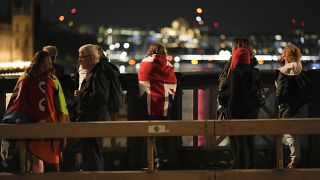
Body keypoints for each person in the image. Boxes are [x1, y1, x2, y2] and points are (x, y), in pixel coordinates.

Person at [2, 51, 70, 173]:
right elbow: (61, 105)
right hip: (47, 123)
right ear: (50, 63)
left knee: (30, 157)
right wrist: (64, 122)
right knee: (44, 156)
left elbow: (15, 99)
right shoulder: (52, 79)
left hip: (23, 122)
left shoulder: (24, 77)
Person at [217, 38, 264, 169]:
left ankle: (239, 167)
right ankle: (250, 168)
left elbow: (225, 87)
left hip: (235, 109)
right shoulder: (254, 69)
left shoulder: (233, 68)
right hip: (252, 109)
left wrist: (222, 96)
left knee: (237, 141)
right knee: (249, 141)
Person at [75, 44, 121, 171]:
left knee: (92, 151)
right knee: (93, 150)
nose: (79, 61)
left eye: (81, 58)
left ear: (90, 58)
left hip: (94, 117)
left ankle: (94, 175)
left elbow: (100, 97)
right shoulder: (100, 70)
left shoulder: (98, 73)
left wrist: (81, 95)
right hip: (97, 116)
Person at [138, 43, 177, 170]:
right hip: (164, 103)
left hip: (149, 102)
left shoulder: (144, 63)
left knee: (151, 131)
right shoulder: (168, 65)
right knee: (163, 130)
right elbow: (172, 83)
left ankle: (151, 159)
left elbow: (142, 80)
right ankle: (164, 158)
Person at [275, 44, 304, 168]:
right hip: (297, 106)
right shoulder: (298, 69)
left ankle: (294, 161)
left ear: (286, 56)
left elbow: (280, 93)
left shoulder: (284, 72)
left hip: (286, 107)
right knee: (294, 133)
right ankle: (294, 159)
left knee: (289, 133)